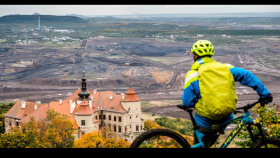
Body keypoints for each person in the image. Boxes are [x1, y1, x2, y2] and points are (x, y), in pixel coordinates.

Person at [181, 40, 273, 148]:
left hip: (205, 123)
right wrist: (264, 94)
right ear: (211, 54)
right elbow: (247, 75)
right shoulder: (226, 68)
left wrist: (200, 101)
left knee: (202, 139)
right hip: (226, 118)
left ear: (195, 55)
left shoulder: (192, 75)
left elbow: (188, 102)